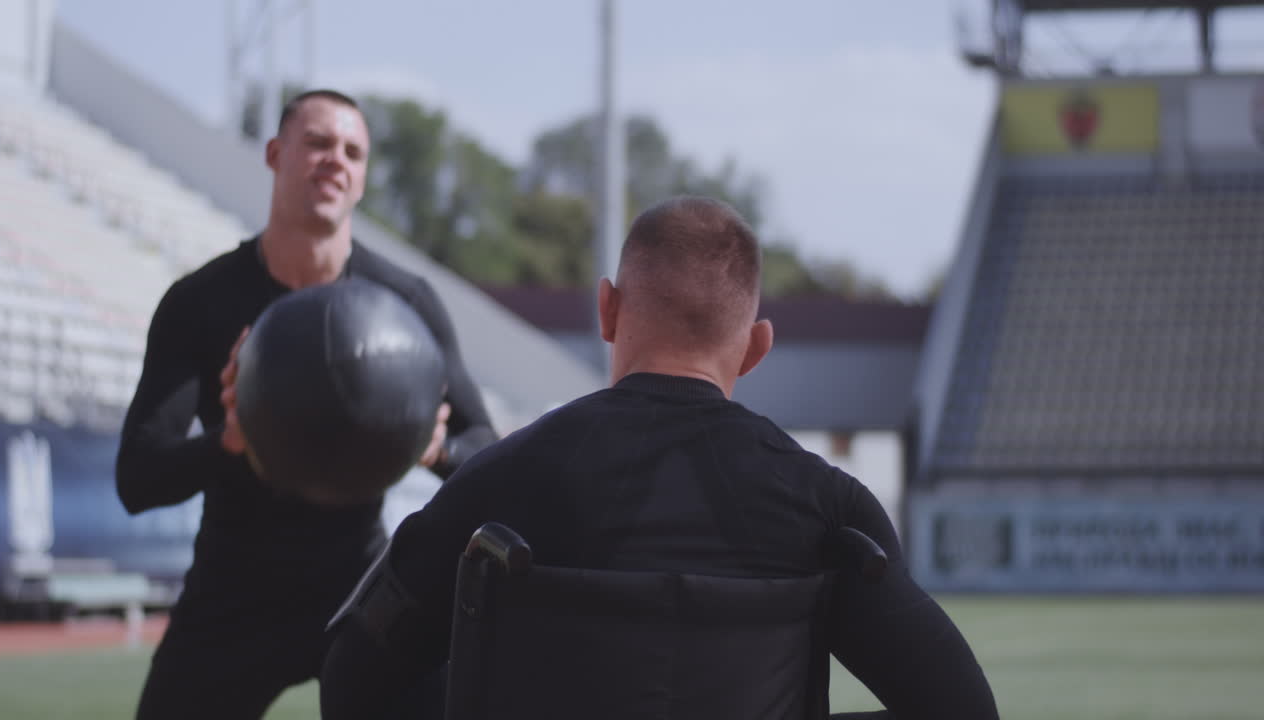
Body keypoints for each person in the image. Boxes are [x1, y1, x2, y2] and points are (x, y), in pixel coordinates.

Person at [319, 196, 999, 719]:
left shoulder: (499, 481)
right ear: (757, 347)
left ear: (608, 310)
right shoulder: (829, 509)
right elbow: (963, 708)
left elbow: (352, 679)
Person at [116, 88, 498, 720]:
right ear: (274, 153)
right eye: (317, 143)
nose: (335, 161)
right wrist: (232, 439)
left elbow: (485, 445)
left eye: (352, 151)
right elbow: (138, 477)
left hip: (360, 588)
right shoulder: (200, 302)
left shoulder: (406, 303)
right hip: (233, 586)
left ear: (363, 177)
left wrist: (434, 448)